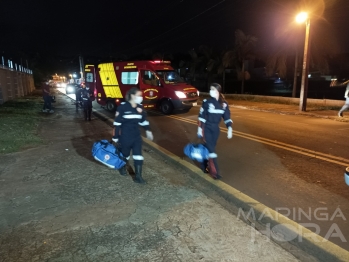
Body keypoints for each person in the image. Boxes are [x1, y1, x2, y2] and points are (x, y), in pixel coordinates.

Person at [112, 87, 154, 183]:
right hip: (125, 136)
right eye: (139, 95)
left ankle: (138, 177)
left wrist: (148, 130)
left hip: (136, 137)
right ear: (132, 95)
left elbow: (143, 120)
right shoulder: (123, 107)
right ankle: (122, 167)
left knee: (138, 156)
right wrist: (115, 138)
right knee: (125, 155)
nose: (141, 97)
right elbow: (117, 124)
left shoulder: (140, 107)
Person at [197, 83, 233, 179]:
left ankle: (204, 165)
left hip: (216, 130)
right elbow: (202, 115)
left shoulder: (224, 104)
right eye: (210, 89)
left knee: (208, 148)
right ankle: (215, 172)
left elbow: (227, 117)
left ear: (217, 91)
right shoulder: (207, 102)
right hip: (207, 128)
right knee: (212, 151)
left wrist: (229, 128)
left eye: (213, 89)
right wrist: (200, 128)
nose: (211, 91)